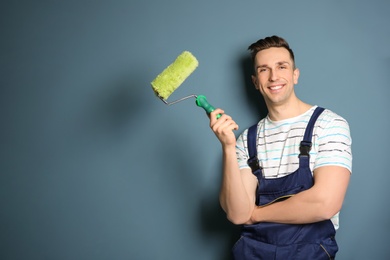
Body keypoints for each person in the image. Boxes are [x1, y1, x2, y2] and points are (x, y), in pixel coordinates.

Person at [209, 35, 352, 259]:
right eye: (264, 69)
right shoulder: (246, 140)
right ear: (256, 81)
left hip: (309, 253)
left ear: (295, 75)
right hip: (252, 253)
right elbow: (237, 214)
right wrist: (227, 146)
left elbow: (325, 203)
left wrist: (255, 214)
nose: (274, 76)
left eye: (282, 66)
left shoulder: (328, 124)